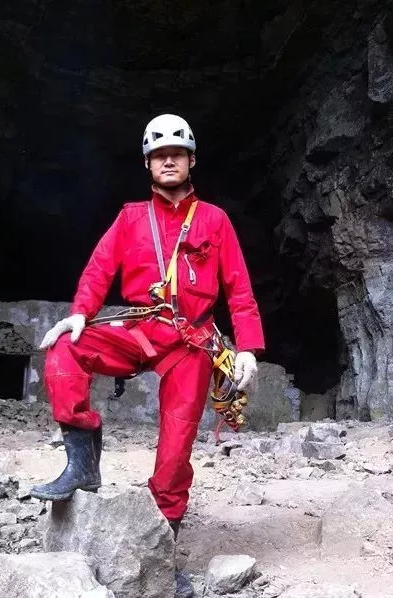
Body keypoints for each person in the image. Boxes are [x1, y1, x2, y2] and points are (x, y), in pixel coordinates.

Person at [33, 113, 264, 596]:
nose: (168, 161)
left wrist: (247, 348)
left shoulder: (215, 220)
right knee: (65, 349)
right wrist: (80, 313)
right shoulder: (130, 217)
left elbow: (239, 288)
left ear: (191, 160)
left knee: (176, 447)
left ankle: (162, 553)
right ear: (147, 164)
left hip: (191, 340)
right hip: (140, 327)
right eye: (160, 155)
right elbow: (99, 269)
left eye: (177, 154)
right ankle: (82, 464)